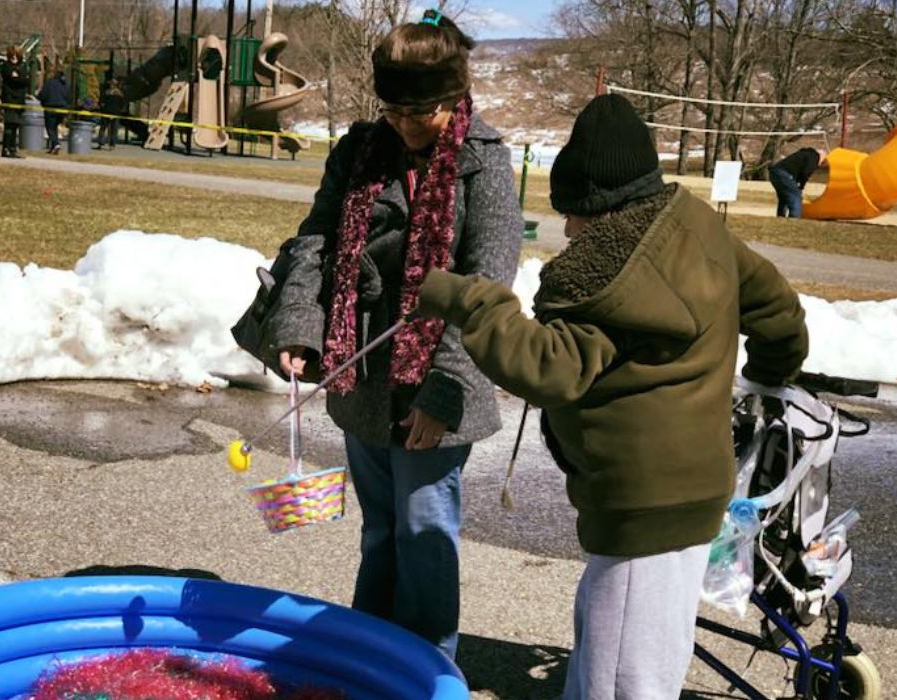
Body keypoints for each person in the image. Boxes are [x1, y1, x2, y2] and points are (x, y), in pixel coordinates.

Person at [415, 93, 809, 699]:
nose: (568, 229)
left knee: (623, 677)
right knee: (622, 653)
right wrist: (768, 375)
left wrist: (470, 299)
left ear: (601, 207)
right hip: (693, 493)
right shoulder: (700, 228)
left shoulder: (607, 283)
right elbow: (780, 313)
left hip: (641, 507)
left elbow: (547, 367)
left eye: (574, 214)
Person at [249, 9, 522, 660]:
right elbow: (315, 242)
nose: (405, 124)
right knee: (380, 530)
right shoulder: (359, 151)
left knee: (424, 531)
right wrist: (300, 326)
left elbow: (487, 286)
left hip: (439, 376)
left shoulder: (485, 165)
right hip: (365, 374)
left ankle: (427, 672)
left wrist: (444, 391)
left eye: (421, 111)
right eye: (394, 110)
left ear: (455, 96)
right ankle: (368, 659)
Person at [768, 146, 826, 218]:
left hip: (774, 172)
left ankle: (781, 217)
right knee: (796, 196)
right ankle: (794, 218)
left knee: (784, 196)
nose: (820, 164)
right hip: (783, 174)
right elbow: (806, 172)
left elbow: (798, 170)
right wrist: (801, 186)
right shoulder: (814, 157)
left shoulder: (804, 154)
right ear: (821, 156)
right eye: (822, 161)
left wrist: (798, 184)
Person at [0, 45, 29, 158]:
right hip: (9, 99)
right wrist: (18, 78)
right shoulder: (6, 66)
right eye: (12, 55)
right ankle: (5, 149)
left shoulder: (23, 66)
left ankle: (13, 149)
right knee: (9, 126)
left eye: (16, 55)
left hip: (19, 101)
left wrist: (18, 77)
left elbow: (26, 81)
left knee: (15, 126)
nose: (14, 57)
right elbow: (11, 79)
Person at [37, 64, 70, 154]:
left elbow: (42, 95)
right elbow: (69, 97)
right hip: (62, 109)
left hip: (50, 107)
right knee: (55, 127)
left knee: (50, 128)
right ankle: (53, 147)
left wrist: (42, 102)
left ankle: (56, 144)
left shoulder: (50, 83)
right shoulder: (65, 85)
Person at [95, 78, 126, 150]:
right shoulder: (118, 94)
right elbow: (122, 105)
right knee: (109, 129)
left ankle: (107, 144)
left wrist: (102, 107)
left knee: (109, 129)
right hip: (111, 113)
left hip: (110, 112)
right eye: (111, 83)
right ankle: (105, 144)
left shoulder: (108, 93)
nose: (111, 85)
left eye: (112, 84)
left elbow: (101, 102)